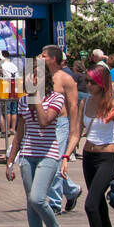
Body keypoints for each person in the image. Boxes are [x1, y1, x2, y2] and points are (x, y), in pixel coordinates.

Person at [6, 54, 70, 227]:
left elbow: (44, 121)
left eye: (36, 76)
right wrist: (10, 162)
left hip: (48, 154)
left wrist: (35, 98)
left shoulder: (56, 98)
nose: (31, 80)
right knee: (31, 203)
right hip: (27, 155)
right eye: (29, 76)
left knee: (37, 198)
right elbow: (19, 133)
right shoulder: (24, 101)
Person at [72, 63, 114, 227]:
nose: (88, 85)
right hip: (88, 157)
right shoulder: (85, 102)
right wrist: (65, 156)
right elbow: (76, 132)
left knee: (90, 205)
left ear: (102, 83)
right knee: (99, 208)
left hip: (107, 158)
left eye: (92, 82)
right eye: (87, 81)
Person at [43, 45, 82, 214]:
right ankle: (72, 190)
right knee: (49, 160)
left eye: (43, 55)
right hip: (45, 123)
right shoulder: (42, 77)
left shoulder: (66, 79)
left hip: (61, 123)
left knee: (55, 161)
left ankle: (55, 202)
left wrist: (74, 129)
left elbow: (73, 105)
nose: (40, 58)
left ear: (52, 59)